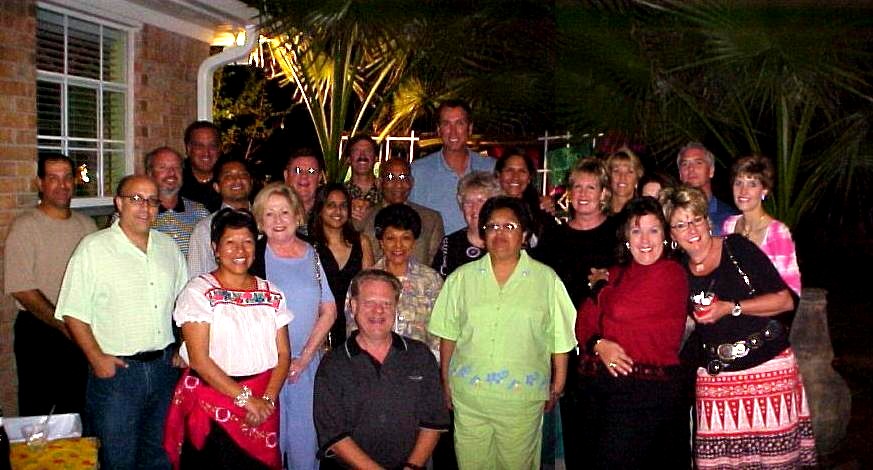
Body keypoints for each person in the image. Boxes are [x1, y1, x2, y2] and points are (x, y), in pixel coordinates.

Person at [663, 185, 817, 468]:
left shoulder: (736, 247)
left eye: (696, 219)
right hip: (716, 381)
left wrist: (730, 307)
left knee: (776, 462)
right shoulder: (677, 271)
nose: (691, 229)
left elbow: (785, 301)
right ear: (672, 235)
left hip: (767, 370)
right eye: (681, 225)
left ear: (707, 220)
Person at [428, 196, 577, 469]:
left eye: (509, 226)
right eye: (492, 226)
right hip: (470, 397)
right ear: (483, 233)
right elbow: (448, 334)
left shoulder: (546, 279)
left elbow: (560, 337)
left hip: (521, 400)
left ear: (525, 234)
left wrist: (558, 385)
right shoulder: (462, 278)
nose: (500, 233)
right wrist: (445, 382)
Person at [56, 175, 188, 468]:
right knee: (118, 459)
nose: (145, 207)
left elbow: (185, 305)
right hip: (118, 375)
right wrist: (96, 358)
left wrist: (184, 345)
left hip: (164, 369)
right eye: (136, 199)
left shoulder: (168, 247)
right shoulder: (93, 248)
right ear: (119, 203)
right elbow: (73, 312)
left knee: (160, 456)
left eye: (152, 201)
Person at [164, 209, 291, 469]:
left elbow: (283, 354)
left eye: (247, 242)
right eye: (230, 242)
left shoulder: (271, 293)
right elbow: (199, 360)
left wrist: (266, 401)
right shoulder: (199, 292)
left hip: (263, 402)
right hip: (215, 402)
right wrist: (246, 401)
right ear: (216, 249)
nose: (240, 250)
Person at [575, 197, 689, 468]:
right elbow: (583, 322)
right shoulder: (615, 273)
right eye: (636, 231)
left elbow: (622, 309)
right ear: (626, 237)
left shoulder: (671, 273)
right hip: (599, 390)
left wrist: (599, 287)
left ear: (665, 236)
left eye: (653, 230)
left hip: (645, 394)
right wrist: (598, 343)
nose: (645, 240)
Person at [531, 157, 619, 469]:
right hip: (565, 346)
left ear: (604, 193)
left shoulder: (617, 234)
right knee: (575, 432)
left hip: (608, 344)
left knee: (610, 435)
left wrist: (610, 279)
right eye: (577, 187)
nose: (582, 194)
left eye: (590, 187)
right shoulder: (554, 236)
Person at [314, 269, 449, 469]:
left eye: (386, 304)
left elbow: (433, 422)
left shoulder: (420, 356)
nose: (378, 311)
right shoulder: (333, 365)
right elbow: (334, 435)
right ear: (354, 306)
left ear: (396, 308)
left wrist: (411, 467)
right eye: (370, 303)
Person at [250, 183, 336, 470]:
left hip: (305, 367)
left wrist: (305, 358)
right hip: (264, 367)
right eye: (269, 213)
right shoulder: (252, 255)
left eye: (284, 212)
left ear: (297, 216)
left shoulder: (314, 253)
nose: (278, 220)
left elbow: (329, 309)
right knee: (267, 447)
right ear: (260, 220)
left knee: (304, 449)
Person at [4, 153, 97, 416]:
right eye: (53, 178)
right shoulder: (26, 226)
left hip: (80, 328)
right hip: (39, 331)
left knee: (77, 408)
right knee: (38, 412)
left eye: (67, 177)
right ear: (40, 183)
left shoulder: (87, 226)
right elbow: (22, 289)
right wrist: (63, 324)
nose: (62, 185)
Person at [350, 204, 443, 358]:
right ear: (381, 242)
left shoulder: (431, 281)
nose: (398, 245)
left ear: (414, 242)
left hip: (419, 364)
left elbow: (440, 333)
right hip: (373, 364)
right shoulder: (364, 282)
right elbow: (353, 329)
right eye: (390, 238)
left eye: (405, 238)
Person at [409, 100, 495, 233]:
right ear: (439, 130)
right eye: (446, 124)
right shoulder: (418, 172)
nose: (453, 132)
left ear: (469, 128)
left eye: (459, 123)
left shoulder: (491, 168)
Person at [308, 183, 375, 349]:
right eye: (331, 205)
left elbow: (369, 289)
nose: (338, 211)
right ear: (320, 209)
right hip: (319, 327)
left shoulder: (362, 242)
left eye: (343, 206)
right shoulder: (309, 247)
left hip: (355, 326)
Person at [723, 155, 801, 295]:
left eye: (752, 184)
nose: (743, 191)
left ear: (764, 190)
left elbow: (792, 290)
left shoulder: (777, 232)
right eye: (738, 183)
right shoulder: (729, 225)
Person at [361, 158, 444, 264]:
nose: (398, 185)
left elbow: (437, 264)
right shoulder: (364, 218)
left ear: (411, 182)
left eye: (403, 177)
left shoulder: (431, 220)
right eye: (390, 177)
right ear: (379, 183)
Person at [187, 155, 254, 278]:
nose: (237, 180)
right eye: (228, 176)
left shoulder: (266, 221)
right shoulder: (205, 228)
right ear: (216, 187)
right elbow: (196, 276)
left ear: (251, 182)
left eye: (243, 175)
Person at [432, 171, 502, 278]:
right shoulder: (450, 243)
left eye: (481, 201)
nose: (474, 208)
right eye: (468, 202)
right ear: (461, 207)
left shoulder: (506, 240)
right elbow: (438, 282)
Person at [146, 146, 210, 256]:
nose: (171, 173)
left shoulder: (201, 213)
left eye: (176, 167)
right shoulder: (138, 213)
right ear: (150, 173)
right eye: (163, 167)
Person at [494, 150, 555, 247]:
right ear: (498, 175)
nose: (515, 176)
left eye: (522, 171)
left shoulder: (541, 210)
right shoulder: (488, 209)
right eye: (509, 170)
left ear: (529, 178)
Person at [676, 142, 737, 235]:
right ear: (680, 174)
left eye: (698, 163)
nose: (691, 168)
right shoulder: (673, 216)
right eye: (685, 164)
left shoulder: (728, 218)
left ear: (711, 170)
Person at [181, 121, 222, 212]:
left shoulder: (228, 180)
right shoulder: (177, 182)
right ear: (189, 149)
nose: (206, 153)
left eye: (212, 146)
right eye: (199, 146)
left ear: (219, 148)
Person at [283, 148, 324, 236]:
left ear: (319, 177)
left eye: (311, 171)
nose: (304, 176)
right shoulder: (274, 213)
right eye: (298, 171)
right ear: (286, 176)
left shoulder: (328, 215)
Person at [343, 134, 381, 228]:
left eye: (368, 151)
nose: (362, 155)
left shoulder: (386, 192)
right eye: (356, 151)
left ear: (376, 158)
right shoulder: (339, 194)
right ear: (348, 159)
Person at [606, 147, 644, 214]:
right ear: (609, 176)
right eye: (616, 171)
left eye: (629, 172)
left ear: (637, 179)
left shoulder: (642, 213)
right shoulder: (598, 212)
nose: (622, 177)